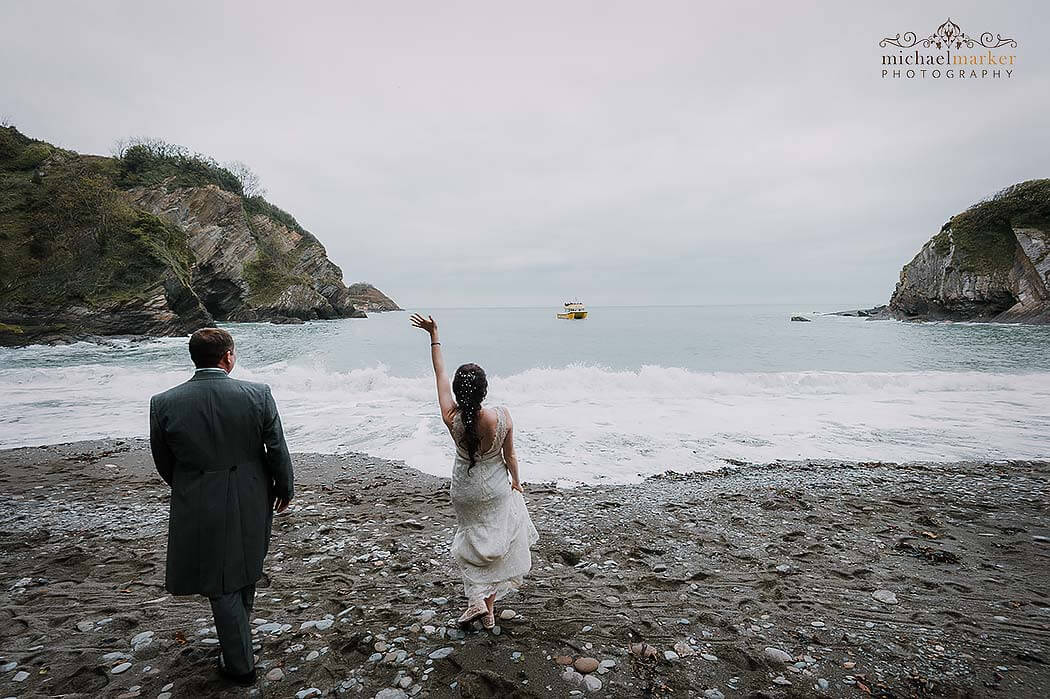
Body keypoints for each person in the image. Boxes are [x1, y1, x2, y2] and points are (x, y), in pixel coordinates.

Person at [149, 327, 294, 686]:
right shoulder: (257, 394)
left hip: (198, 496)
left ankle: (237, 646)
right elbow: (275, 447)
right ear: (228, 356)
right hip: (251, 491)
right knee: (233, 573)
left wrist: (191, 485)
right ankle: (241, 666)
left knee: (230, 571)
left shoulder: (164, 402)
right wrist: (284, 487)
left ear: (195, 358)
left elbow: (163, 459)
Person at [411, 313, 539, 628]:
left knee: (470, 545)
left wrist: (434, 336)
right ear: (484, 390)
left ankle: (479, 604)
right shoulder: (503, 416)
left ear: (458, 391)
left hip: (465, 490)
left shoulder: (450, 416)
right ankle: (487, 608)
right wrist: (518, 484)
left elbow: (439, 371)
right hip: (495, 489)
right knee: (496, 544)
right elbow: (510, 456)